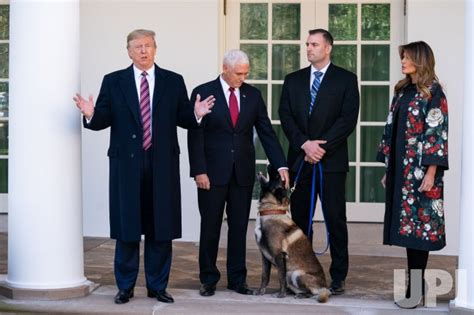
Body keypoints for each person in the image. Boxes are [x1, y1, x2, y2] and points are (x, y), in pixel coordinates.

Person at [73, 29, 215, 305]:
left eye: (148, 45)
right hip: (126, 166)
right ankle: (125, 287)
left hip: (162, 164)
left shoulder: (173, 81)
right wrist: (91, 114)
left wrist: (196, 115)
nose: (143, 51)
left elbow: (183, 117)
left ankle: (157, 286)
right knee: (127, 228)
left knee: (160, 227)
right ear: (128, 51)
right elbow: (103, 118)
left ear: (155, 48)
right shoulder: (114, 81)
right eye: (137, 46)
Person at [187, 49, 289, 297]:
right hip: (211, 174)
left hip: (242, 173)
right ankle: (208, 279)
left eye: (245, 73)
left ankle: (236, 279)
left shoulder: (252, 95)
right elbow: (195, 134)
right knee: (210, 226)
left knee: (239, 227)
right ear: (225, 68)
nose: (242, 78)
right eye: (238, 74)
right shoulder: (204, 91)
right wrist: (199, 170)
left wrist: (281, 164)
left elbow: (266, 131)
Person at [279, 29, 359, 295]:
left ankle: (338, 276)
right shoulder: (293, 80)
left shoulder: (346, 80)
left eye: (314, 44)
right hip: (301, 160)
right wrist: (305, 144)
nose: (309, 48)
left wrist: (321, 147)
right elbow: (285, 116)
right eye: (307, 44)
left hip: (331, 162)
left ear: (328, 48)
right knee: (300, 221)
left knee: (335, 219)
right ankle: (301, 274)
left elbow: (348, 119)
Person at [377, 41, 449, 308]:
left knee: (421, 231)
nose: (402, 61)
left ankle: (416, 290)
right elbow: (390, 128)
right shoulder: (402, 90)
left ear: (420, 60)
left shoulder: (434, 92)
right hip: (401, 171)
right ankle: (415, 287)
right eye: (403, 57)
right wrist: (388, 167)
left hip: (421, 172)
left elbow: (437, 133)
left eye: (406, 58)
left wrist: (431, 171)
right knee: (409, 232)